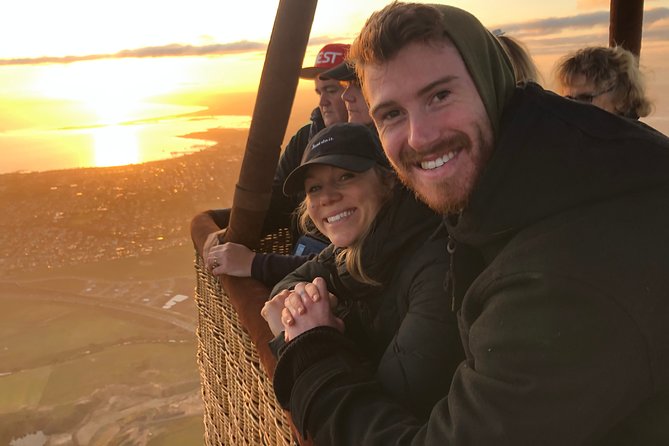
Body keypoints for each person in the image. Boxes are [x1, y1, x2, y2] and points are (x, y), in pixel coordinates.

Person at [273, 3, 669, 445]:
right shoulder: (524, 186)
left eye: (439, 95)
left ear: (490, 84)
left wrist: (312, 353)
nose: (420, 137)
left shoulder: (565, 267)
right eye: (391, 114)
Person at [261, 122, 463, 419]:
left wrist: (309, 337)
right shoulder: (354, 247)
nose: (327, 197)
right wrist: (302, 310)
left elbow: (388, 407)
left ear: (388, 180)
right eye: (314, 188)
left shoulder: (436, 269)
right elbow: (291, 283)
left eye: (345, 177)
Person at [190, 43, 350, 262]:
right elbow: (276, 202)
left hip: (334, 271)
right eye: (319, 92)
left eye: (332, 90)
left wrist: (254, 264)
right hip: (301, 262)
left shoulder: (374, 147)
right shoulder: (305, 139)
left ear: (355, 91)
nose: (322, 102)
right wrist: (229, 230)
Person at [556, 45, 652, 119]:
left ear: (621, 100)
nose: (573, 107)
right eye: (568, 100)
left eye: (584, 99)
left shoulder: (640, 143)